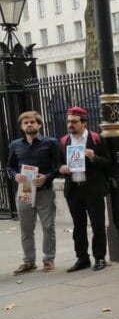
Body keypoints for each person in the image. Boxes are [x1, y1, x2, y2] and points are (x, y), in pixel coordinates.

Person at [7, 111, 60, 274]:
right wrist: (16, 175)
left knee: (48, 226)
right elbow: (10, 167)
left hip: (44, 191)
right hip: (25, 192)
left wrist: (47, 177)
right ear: (22, 127)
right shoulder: (15, 145)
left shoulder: (50, 142)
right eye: (25, 123)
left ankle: (48, 260)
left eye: (32, 122)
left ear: (39, 125)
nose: (29, 125)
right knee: (26, 229)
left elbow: (59, 166)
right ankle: (29, 262)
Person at [59, 107, 109, 272]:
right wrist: (62, 168)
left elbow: (108, 163)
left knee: (98, 225)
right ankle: (82, 258)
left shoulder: (96, 139)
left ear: (84, 123)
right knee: (78, 227)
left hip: (92, 188)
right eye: (69, 121)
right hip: (74, 190)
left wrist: (94, 157)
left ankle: (100, 257)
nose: (70, 125)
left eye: (74, 121)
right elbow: (57, 164)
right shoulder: (64, 141)